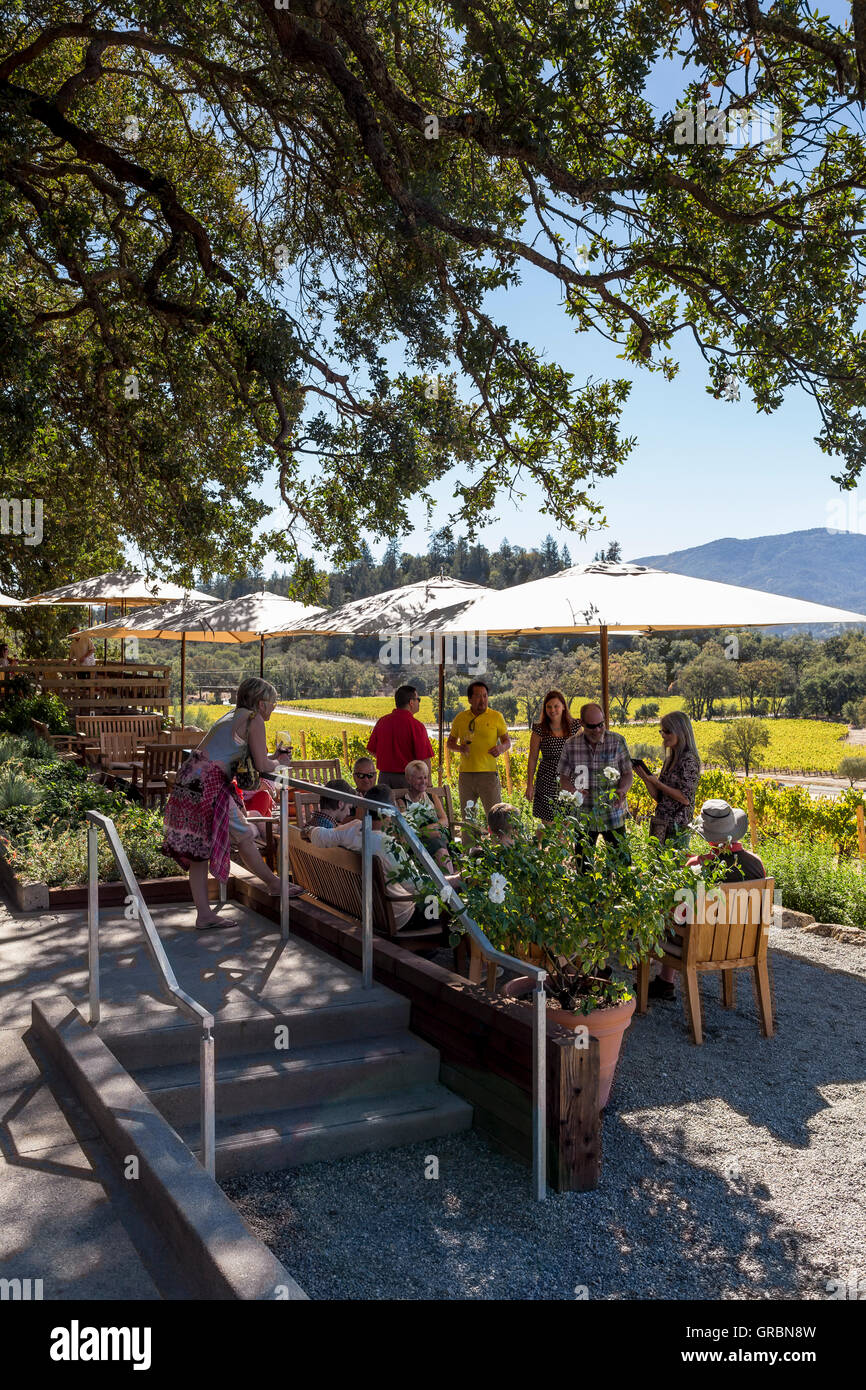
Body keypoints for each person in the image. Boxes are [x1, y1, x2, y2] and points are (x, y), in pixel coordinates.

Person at [161, 677, 302, 930]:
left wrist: (273, 758)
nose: (274, 707)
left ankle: (204, 915)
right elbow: (261, 765)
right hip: (209, 783)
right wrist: (281, 763)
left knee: (199, 851)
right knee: (245, 835)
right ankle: (275, 884)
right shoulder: (254, 719)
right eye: (273, 703)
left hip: (189, 779)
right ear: (261, 703)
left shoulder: (233, 715)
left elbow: (248, 756)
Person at [648, 799, 766, 1000]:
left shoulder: (697, 866)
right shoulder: (757, 864)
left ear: (708, 836)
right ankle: (664, 982)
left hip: (701, 947)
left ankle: (664, 981)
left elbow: (680, 912)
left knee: (669, 918)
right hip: (741, 944)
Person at [307, 784, 455, 934]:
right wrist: (454, 879)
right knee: (453, 900)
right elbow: (419, 886)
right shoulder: (387, 846)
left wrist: (307, 830)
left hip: (368, 911)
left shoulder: (351, 828)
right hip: (398, 918)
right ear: (389, 813)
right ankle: (454, 950)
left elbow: (320, 836)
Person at [557, 702, 632, 866]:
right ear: (582, 723)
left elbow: (627, 773)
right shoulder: (571, 745)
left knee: (622, 863)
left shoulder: (617, 741)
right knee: (583, 866)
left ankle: (621, 892)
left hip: (613, 813)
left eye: (601, 725)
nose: (597, 730)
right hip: (584, 816)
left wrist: (622, 790)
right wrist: (572, 791)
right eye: (592, 726)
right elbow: (563, 777)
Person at [632, 710, 701, 846]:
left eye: (668, 731)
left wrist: (657, 783)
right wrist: (645, 778)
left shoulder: (689, 761)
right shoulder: (670, 759)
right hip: (661, 824)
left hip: (677, 827)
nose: (663, 735)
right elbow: (659, 797)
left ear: (681, 732)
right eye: (662, 731)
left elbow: (684, 798)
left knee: (673, 865)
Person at [447, 680, 512, 819]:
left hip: (488, 775)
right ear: (470, 699)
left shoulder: (496, 716)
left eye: (485, 696)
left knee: (496, 817)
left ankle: (497, 841)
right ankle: (469, 842)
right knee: (469, 818)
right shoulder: (460, 718)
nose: (482, 700)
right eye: (478, 696)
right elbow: (450, 744)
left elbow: (507, 742)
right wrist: (460, 748)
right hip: (466, 776)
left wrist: (501, 748)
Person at [366, 685, 433, 789]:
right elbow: (425, 759)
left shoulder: (382, 722)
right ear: (411, 702)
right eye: (418, 699)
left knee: (384, 805)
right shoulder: (416, 726)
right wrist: (429, 784)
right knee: (408, 805)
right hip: (408, 780)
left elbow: (371, 749)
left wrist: (387, 760)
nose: (419, 702)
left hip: (384, 779)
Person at [525, 689, 575, 822]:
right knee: (548, 821)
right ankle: (542, 843)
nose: (552, 710)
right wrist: (530, 784)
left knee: (568, 820)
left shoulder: (575, 727)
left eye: (556, 706)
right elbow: (533, 758)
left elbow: (583, 755)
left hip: (569, 778)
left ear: (563, 706)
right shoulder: (539, 729)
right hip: (547, 778)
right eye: (549, 707)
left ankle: (562, 844)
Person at [397, 759, 453, 871]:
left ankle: (448, 881)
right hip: (419, 844)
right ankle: (451, 881)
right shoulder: (402, 802)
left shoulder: (432, 797)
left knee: (439, 843)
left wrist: (429, 828)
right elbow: (406, 831)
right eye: (419, 778)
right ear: (409, 779)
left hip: (439, 837)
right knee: (439, 847)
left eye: (425, 777)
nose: (423, 781)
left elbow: (444, 821)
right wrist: (426, 832)